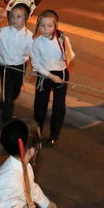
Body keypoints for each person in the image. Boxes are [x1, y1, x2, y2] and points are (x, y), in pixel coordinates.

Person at [30, 10, 75, 145]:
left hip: (61, 73)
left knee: (58, 106)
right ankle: (38, 132)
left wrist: (66, 56)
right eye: (42, 25)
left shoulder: (63, 38)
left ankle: (54, 135)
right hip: (44, 75)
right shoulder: (36, 42)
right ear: (38, 26)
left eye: (50, 26)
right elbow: (36, 63)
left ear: (55, 25)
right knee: (40, 105)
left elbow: (71, 54)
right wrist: (49, 75)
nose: (46, 29)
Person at [0, 2, 32, 123]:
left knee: (16, 90)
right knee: (8, 93)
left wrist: (35, 64)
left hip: (20, 66)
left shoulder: (28, 35)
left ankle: (4, 102)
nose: (14, 19)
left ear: (25, 19)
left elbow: (32, 51)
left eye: (18, 17)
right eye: (12, 16)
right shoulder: (4, 31)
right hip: (6, 66)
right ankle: (6, 119)